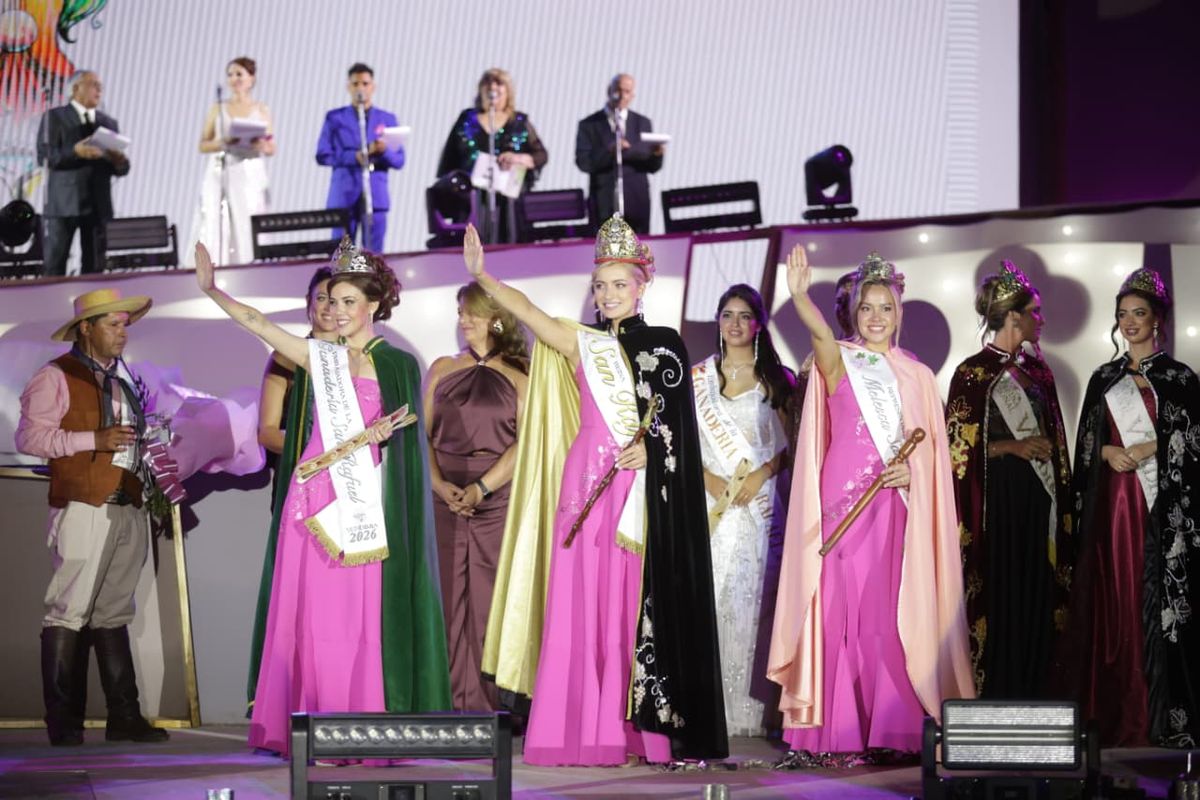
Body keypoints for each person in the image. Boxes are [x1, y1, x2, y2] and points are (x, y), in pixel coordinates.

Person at [470, 216, 728, 764]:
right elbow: (532, 315)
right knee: (580, 605)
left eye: (620, 284)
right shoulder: (581, 342)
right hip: (584, 481)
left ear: (641, 286)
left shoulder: (665, 346)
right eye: (601, 285)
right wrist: (486, 280)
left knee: (627, 606)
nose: (609, 294)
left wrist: (654, 452)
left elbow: (679, 429)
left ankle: (634, 733)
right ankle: (582, 731)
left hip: (636, 491)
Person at [194, 238, 450, 756]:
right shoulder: (318, 357)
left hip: (363, 506)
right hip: (311, 503)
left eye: (347, 301)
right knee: (310, 617)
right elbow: (260, 325)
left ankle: (362, 724)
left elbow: (409, 454)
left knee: (358, 619)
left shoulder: (398, 366)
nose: (334, 310)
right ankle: (313, 723)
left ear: (374, 305)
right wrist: (213, 290)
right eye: (330, 301)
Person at [768, 248, 973, 766]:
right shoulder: (838, 357)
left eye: (885, 307)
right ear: (854, 313)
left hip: (892, 501)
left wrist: (915, 473)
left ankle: (891, 725)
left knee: (885, 612)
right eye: (867, 308)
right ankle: (835, 728)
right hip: (841, 499)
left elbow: (931, 456)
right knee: (840, 607)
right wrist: (798, 298)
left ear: (898, 313)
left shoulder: (919, 376)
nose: (876, 317)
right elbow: (817, 337)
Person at [15, 287, 168, 746]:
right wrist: (92, 440)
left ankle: (124, 717)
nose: (123, 333)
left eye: (125, 325)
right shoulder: (55, 375)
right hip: (84, 504)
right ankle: (63, 723)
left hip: (128, 504)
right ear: (86, 328)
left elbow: (132, 440)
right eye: (113, 325)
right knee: (69, 611)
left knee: (114, 612)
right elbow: (29, 438)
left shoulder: (126, 380)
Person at [1064, 268, 1198, 747]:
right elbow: (1085, 445)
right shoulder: (1105, 377)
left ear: (1157, 319)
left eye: (1139, 314)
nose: (1130, 323)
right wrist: (1104, 453)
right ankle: (1110, 711)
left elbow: (1192, 443)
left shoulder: (1180, 378)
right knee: (1113, 599)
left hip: (1155, 507)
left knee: (1151, 596)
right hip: (1111, 506)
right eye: (1123, 315)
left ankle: (1158, 717)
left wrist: (1146, 450)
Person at [945, 261, 1072, 699]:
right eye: (1034, 311)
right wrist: (1011, 447)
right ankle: (996, 689)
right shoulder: (971, 373)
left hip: (1037, 500)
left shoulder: (1039, 372)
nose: (1041, 319)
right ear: (1014, 316)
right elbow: (956, 449)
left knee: (1036, 591)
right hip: (995, 503)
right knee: (1002, 594)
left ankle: (1038, 688)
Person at [692, 284, 794, 737]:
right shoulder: (696, 379)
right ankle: (708, 708)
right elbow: (680, 442)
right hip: (711, 504)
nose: (735, 324)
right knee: (709, 602)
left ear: (757, 324)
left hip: (759, 505)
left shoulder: (778, 379)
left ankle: (755, 712)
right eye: (727, 314)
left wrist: (763, 473)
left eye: (744, 316)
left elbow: (795, 446)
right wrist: (708, 479)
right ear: (718, 321)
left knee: (756, 604)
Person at [424, 282, 528, 711]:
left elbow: (527, 442)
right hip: (442, 496)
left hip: (497, 499)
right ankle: (441, 702)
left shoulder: (522, 376)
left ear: (497, 318)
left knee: (489, 602)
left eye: (472, 312)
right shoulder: (442, 368)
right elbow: (420, 434)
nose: (463, 320)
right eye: (460, 312)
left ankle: (490, 708)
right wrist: (438, 484)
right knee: (444, 599)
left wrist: (482, 487)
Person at [436, 68, 548, 244]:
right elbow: (450, 157)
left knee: (509, 238)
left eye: (499, 83)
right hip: (473, 198)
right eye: (488, 82)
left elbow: (541, 155)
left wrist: (518, 158)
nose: (492, 86)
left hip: (509, 199)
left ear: (507, 90)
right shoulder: (467, 119)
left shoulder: (519, 122)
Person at [184, 56, 275, 267]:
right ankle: (215, 265)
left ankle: (250, 263)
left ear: (251, 78)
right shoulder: (218, 108)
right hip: (222, 169)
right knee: (217, 219)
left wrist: (260, 144)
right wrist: (223, 142)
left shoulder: (262, 110)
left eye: (239, 74)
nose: (234, 79)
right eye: (230, 75)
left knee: (248, 219)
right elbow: (203, 144)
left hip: (249, 172)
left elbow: (271, 146)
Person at [37, 71, 130, 276]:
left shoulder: (108, 123)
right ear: (75, 88)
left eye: (100, 85)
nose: (99, 89)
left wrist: (120, 162)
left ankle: (94, 308)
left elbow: (122, 169)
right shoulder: (55, 117)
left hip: (98, 205)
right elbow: (45, 157)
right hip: (64, 204)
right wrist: (74, 152)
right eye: (93, 84)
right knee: (55, 265)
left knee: (95, 267)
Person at [316, 63, 405, 253]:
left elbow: (399, 160)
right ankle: (341, 282)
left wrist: (384, 151)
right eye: (356, 84)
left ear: (373, 86)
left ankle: (373, 282)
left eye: (365, 83)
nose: (360, 88)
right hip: (344, 193)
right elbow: (323, 154)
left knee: (373, 254)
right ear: (348, 86)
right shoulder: (335, 118)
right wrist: (353, 157)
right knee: (342, 254)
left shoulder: (387, 118)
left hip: (375, 194)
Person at [575, 73, 664, 235]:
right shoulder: (589, 125)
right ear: (609, 91)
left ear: (632, 95)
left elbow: (652, 166)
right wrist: (609, 151)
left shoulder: (642, 123)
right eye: (618, 90)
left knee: (637, 251)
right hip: (604, 200)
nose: (622, 96)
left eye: (627, 92)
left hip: (636, 199)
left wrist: (657, 154)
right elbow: (583, 162)